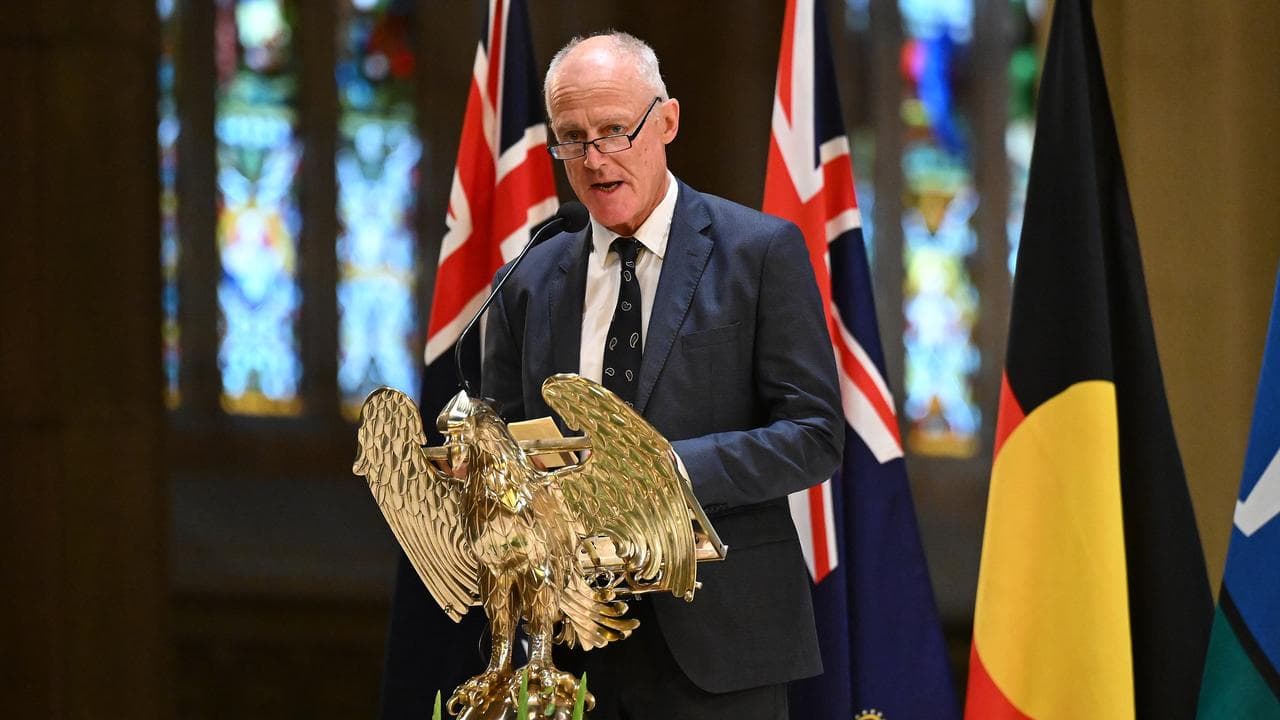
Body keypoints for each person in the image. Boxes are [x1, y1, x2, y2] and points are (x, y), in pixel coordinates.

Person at [481, 32, 843, 719]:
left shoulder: (757, 253)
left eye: (615, 131)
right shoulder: (528, 279)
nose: (594, 159)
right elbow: (508, 442)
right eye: (572, 138)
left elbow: (815, 434)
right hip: (571, 644)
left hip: (721, 642)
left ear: (667, 122)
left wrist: (659, 471)